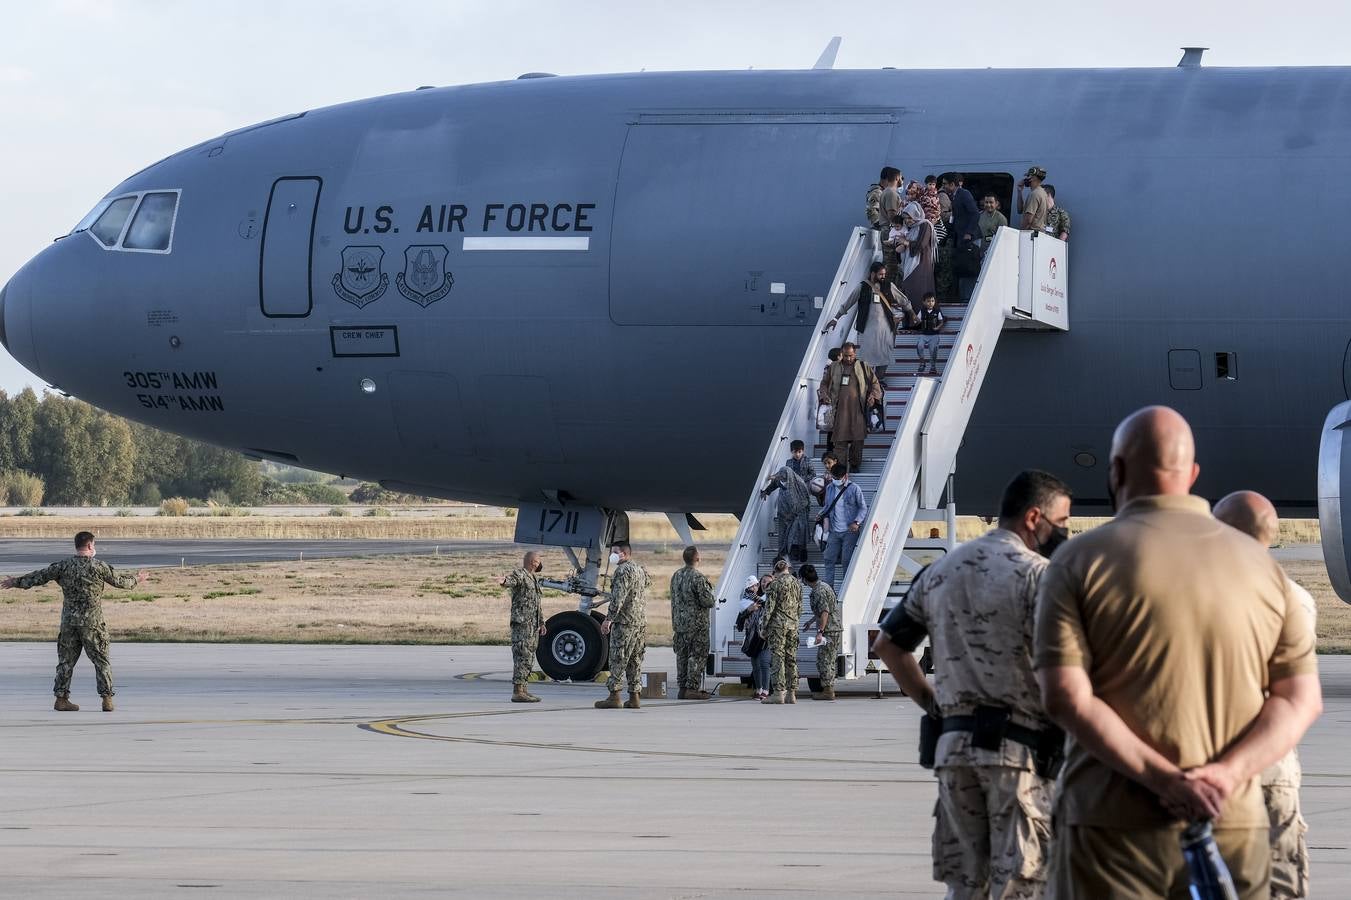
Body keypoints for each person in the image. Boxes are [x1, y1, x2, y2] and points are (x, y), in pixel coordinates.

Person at [1035, 406, 1322, 899]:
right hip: (1232, 822)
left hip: (1113, 830)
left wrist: (1165, 780)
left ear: (1117, 471)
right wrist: (1223, 776)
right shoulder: (1263, 569)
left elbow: (1065, 697)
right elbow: (1300, 701)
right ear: (1191, 475)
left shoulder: (1081, 561)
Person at [872, 470, 1073, 900]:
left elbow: (890, 646)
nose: (1065, 534)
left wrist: (934, 704)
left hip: (954, 749)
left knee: (965, 885)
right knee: (1021, 884)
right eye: (1062, 524)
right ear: (1034, 518)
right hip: (1017, 755)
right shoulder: (1039, 576)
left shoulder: (942, 570)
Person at [1213, 491, 1315, 900]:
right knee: (1281, 882)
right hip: (1274, 762)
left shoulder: (1196, 595)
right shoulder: (1297, 599)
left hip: (1215, 761)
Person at [1, 531, 148, 712]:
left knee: (65, 662)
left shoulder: (63, 566)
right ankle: (106, 699)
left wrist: (15, 582)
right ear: (89, 546)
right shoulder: (99, 567)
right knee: (101, 661)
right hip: (93, 623)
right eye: (94, 544)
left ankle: (61, 699)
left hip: (69, 623)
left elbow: (39, 576)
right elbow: (120, 582)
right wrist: (137, 579)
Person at [825, 261, 904, 385]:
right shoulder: (862, 287)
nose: (883, 277)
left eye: (884, 274)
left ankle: (879, 379)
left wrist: (912, 313)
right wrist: (836, 318)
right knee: (867, 356)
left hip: (886, 329)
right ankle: (869, 380)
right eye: (881, 274)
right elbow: (848, 303)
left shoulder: (889, 285)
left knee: (885, 355)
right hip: (867, 329)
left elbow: (902, 299)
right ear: (873, 274)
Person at [595, 541, 652, 710]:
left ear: (623, 554)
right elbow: (647, 583)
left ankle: (614, 696)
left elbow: (618, 598)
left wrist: (608, 619)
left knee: (618, 658)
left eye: (614, 551)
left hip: (625, 622)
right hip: (639, 622)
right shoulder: (639, 570)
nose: (611, 554)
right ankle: (634, 697)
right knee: (635, 660)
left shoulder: (622, 571)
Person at [817, 343, 881, 472]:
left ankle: (855, 465)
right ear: (842, 354)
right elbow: (824, 383)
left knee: (858, 440)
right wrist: (824, 395)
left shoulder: (863, 366)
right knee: (839, 442)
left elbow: (875, 383)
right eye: (845, 356)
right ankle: (840, 469)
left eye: (851, 356)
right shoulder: (834, 367)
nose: (848, 359)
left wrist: (873, 396)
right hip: (839, 411)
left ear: (855, 354)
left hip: (858, 410)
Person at [669, 545, 716, 700]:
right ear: (697, 558)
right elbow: (708, 601)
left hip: (680, 625)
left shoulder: (676, 575)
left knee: (682, 657)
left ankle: (682, 688)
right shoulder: (698, 578)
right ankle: (692, 688)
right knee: (697, 656)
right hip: (697, 626)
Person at [500, 550, 547, 703]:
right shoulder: (521, 574)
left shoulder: (533, 578)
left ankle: (524, 689)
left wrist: (541, 622)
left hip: (532, 625)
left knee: (529, 657)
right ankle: (517, 691)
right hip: (522, 624)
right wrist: (503, 581)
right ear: (533, 562)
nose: (539, 563)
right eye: (538, 560)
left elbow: (536, 603)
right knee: (521, 656)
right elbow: (512, 580)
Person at [760, 558, 803, 705]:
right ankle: (792, 693)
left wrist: (763, 628)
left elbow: (769, 609)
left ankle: (778, 693)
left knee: (778, 657)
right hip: (793, 625)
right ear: (788, 569)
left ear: (775, 571)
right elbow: (800, 607)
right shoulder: (797, 584)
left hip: (778, 626)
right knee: (791, 658)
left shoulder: (775, 584)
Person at [819, 463, 867, 587]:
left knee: (847, 560)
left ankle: (847, 588)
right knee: (829, 559)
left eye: (838, 478)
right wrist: (821, 514)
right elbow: (827, 506)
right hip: (834, 530)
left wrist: (857, 522)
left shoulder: (854, 488)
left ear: (845, 476)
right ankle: (829, 588)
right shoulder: (829, 488)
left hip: (849, 531)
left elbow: (863, 508)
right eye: (834, 477)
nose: (835, 480)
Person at [801, 565, 841, 701]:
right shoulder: (824, 586)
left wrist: (820, 632)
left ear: (804, 580)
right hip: (832, 628)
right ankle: (828, 689)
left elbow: (825, 612)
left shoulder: (819, 590)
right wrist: (811, 621)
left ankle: (828, 691)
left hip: (829, 630)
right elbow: (823, 609)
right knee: (826, 660)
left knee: (825, 661)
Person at [761, 463, 812, 563]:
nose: (783, 481)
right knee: (783, 535)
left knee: (796, 536)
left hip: (797, 516)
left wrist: (794, 512)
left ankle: (799, 553)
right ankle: (782, 556)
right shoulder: (780, 480)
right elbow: (774, 484)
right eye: (782, 479)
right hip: (783, 513)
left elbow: (806, 500)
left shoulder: (800, 483)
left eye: (785, 479)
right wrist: (766, 491)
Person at [736, 579, 770, 699]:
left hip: (765, 636)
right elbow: (739, 621)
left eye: (768, 582)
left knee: (764, 663)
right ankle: (758, 689)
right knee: (755, 664)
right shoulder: (748, 601)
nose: (765, 584)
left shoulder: (767, 599)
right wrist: (748, 610)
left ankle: (766, 691)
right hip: (752, 637)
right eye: (763, 582)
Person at [899, 202, 937, 308]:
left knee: (919, 289)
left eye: (909, 218)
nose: (907, 221)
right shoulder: (911, 229)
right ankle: (911, 319)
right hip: (910, 264)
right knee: (910, 290)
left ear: (916, 215)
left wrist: (906, 242)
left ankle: (921, 318)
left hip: (921, 263)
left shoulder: (925, 225)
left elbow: (921, 245)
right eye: (905, 218)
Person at [943, 174, 980, 248]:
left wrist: (969, 233)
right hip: (960, 235)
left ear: (952, 184)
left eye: (944, 184)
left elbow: (975, 213)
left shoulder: (964, 194)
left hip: (969, 237)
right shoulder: (954, 195)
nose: (943, 186)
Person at [915, 292, 945, 377]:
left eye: (932, 301)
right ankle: (922, 362)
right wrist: (916, 321)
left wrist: (938, 327)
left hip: (934, 335)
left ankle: (933, 366)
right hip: (924, 334)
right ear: (923, 302)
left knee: (933, 351)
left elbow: (941, 321)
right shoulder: (922, 311)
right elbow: (917, 319)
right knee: (919, 346)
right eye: (928, 301)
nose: (930, 303)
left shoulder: (937, 311)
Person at [866, 166, 902, 234]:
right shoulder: (877, 193)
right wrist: (884, 226)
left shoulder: (886, 192)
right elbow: (872, 212)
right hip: (880, 231)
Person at [1017, 167, 1050, 232]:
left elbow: (1028, 220)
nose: (1025, 179)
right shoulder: (1043, 193)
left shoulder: (1034, 194)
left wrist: (1020, 233)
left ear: (1033, 178)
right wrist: (1019, 191)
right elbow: (1020, 210)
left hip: (1031, 235)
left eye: (1028, 176)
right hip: (1038, 234)